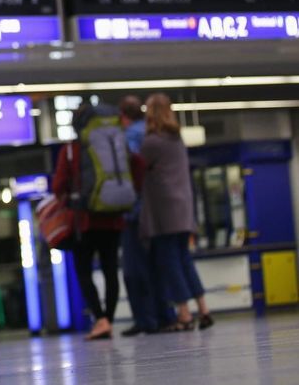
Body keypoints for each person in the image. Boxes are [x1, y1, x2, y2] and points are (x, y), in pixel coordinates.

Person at [51, 102, 129, 340]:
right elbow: (136, 166)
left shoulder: (72, 150)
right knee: (110, 271)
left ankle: (100, 319)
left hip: (84, 222)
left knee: (84, 271)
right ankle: (110, 319)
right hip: (113, 218)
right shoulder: (117, 145)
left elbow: (58, 186)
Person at [140, 93, 214, 331]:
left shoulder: (151, 142)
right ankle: (204, 308)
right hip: (184, 207)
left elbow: (140, 168)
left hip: (164, 209)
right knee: (184, 258)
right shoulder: (177, 138)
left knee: (169, 260)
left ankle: (184, 312)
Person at [119, 95, 175, 336]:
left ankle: (145, 319)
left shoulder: (130, 136)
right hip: (159, 212)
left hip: (134, 213)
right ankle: (165, 316)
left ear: (123, 117)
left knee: (134, 269)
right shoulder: (157, 134)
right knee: (158, 266)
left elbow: (129, 171)